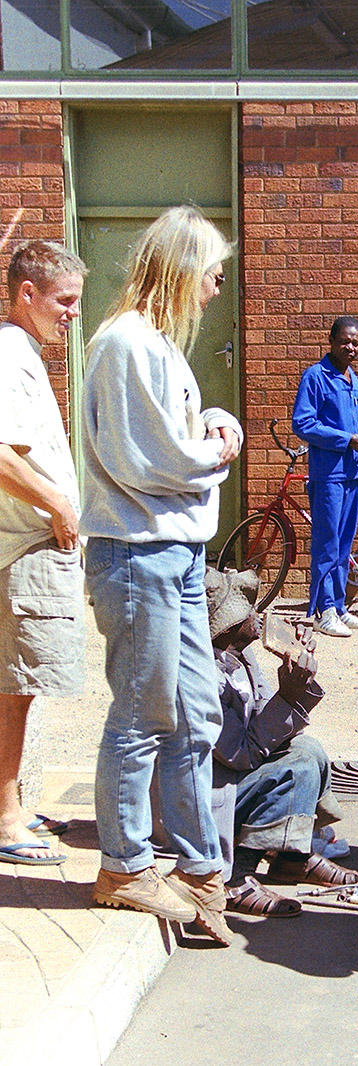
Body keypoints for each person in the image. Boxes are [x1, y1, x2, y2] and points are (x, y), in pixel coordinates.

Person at [81, 206, 242, 945]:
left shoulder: (150, 346)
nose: (215, 287)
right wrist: (214, 450)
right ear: (181, 267)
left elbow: (159, 439)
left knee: (195, 713)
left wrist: (211, 418)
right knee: (145, 715)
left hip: (170, 553)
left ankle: (200, 866)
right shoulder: (124, 344)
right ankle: (124, 865)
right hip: (140, 553)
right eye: (211, 272)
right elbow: (148, 460)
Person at [204, 567, 358, 917]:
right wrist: (287, 699)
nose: (259, 618)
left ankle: (292, 858)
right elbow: (241, 754)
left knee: (309, 751)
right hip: (211, 795)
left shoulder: (242, 658)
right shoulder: (205, 678)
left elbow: (273, 733)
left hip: (233, 781)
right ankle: (233, 877)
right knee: (297, 767)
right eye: (250, 613)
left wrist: (296, 686)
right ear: (228, 625)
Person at [0, 240, 86, 866]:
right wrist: (58, 506)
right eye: (65, 300)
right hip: (25, 548)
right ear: (25, 293)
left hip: (30, 546)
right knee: (15, 686)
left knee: (18, 686)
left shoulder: (20, 353)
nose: (73, 313)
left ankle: (12, 804)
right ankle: (6, 817)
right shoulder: (8, 356)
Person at [292, 317, 358, 637]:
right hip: (328, 474)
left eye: (356, 343)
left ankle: (339, 607)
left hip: (353, 472)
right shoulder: (315, 377)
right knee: (327, 544)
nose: (351, 347)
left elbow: (350, 424)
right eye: (345, 341)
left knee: (344, 545)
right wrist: (348, 440)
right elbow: (303, 424)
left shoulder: (352, 379)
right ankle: (322, 610)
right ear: (330, 341)